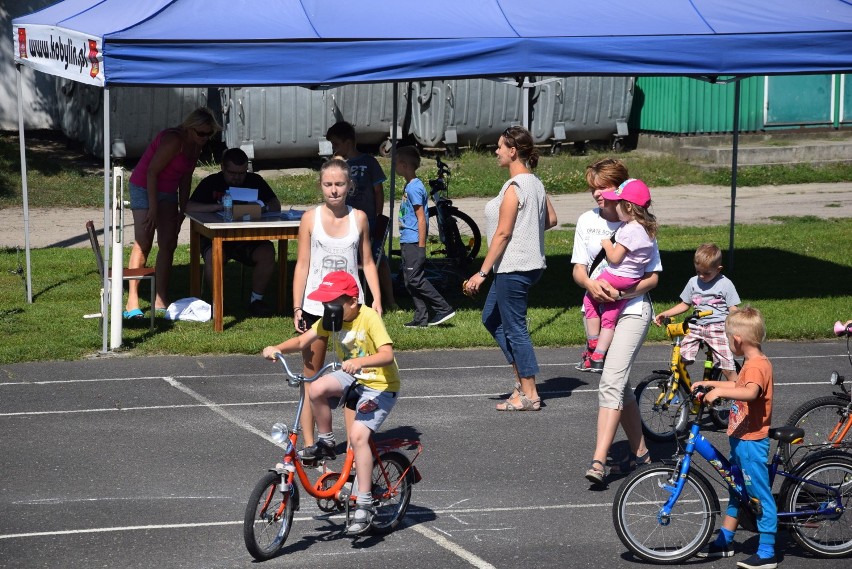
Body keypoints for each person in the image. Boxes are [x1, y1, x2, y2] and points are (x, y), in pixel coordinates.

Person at [262, 270, 399, 536]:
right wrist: (277, 347)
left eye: (333, 303)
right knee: (316, 387)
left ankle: (365, 503)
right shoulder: (332, 319)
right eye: (325, 304)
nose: (328, 309)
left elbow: (387, 354)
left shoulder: (368, 317)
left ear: (352, 301)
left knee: (358, 437)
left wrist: (360, 361)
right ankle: (326, 441)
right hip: (353, 377)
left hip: (380, 384)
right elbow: (303, 340)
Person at [573, 158, 661, 485]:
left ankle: (599, 461)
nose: (597, 193)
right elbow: (578, 268)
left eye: (603, 187)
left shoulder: (639, 225)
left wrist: (621, 295)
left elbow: (652, 278)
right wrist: (591, 285)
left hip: (633, 310)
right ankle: (643, 455)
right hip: (596, 306)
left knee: (610, 381)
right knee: (619, 383)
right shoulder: (587, 221)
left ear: (621, 189)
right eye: (593, 188)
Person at [464, 126, 557, 411]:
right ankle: (522, 381)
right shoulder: (534, 182)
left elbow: (503, 234)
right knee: (491, 318)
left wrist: (481, 273)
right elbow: (551, 219)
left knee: (516, 329)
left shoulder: (517, 186)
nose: (496, 151)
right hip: (523, 265)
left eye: (500, 147)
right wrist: (527, 226)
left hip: (514, 267)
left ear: (512, 151)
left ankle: (529, 394)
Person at [291, 158, 382, 452]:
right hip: (316, 307)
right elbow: (302, 265)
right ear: (321, 186)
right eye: (328, 185)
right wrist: (297, 307)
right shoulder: (309, 219)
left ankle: (357, 443)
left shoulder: (360, 218)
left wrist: (377, 298)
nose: (334, 191)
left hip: (352, 311)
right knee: (311, 378)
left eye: (339, 184)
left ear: (349, 186)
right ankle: (310, 444)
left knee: (354, 377)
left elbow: (367, 261)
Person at [692, 306, 777, 569]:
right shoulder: (753, 363)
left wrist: (719, 394)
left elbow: (750, 393)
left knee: (759, 496)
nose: (729, 344)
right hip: (741, 440)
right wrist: (711, 385)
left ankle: (767, 552)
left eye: (729, 339)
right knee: (737, 491)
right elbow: (738, 386)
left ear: (737, 340)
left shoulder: (756, 367)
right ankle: (725, 540)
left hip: (752, 442)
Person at [124, 107, 221, 319]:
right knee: (144, 241)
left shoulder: (195, 146)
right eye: (201, 133)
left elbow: (185, 180)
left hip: (167, 190)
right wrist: (153, 208)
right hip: (144, 186)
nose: (205, 138)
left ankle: (160, 298)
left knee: (169, 243)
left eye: (209, 134)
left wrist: (182, 210)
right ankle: (132, 301)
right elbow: (152, 172)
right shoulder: (173, 140)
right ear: (190, 127)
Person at [185, 147, 281, 317]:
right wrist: (219, 207)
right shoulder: (211, 182)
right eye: (232, 173)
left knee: (267, 252)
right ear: (222, 167)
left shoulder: (255, 180)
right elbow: (189, 207)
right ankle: (219, 301)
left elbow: (276, 205)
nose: (237, 177)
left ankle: (256, 300)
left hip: (248, 238)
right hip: (216, 237)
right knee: (214, 256)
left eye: (242, 173)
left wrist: (261, 209)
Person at [579, 179, 657, 372]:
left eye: (618, 203)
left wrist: (607, 244)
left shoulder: (629, 229)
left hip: (616, 275)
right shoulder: (647, 229)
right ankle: (599, 355)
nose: (616, 207)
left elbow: (614, 258)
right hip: (632, 280)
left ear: (628, 206)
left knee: (590, 300)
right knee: (610, 316)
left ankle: (592, 344)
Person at [325, 121, 397, 311]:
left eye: (336, 144)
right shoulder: (338, 165)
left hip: (368, 220)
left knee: (377, 261)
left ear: (349, 142)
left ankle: (389, 299)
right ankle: (346, 298)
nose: (334, 148)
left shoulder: (369, 162)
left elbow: (378, 191)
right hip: (344, 221)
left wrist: (378, 216)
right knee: (345, 259)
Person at [654, 242, 740, 381]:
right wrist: (666, 313)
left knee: (726, 367)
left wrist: (738, 326)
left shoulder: (725, 284)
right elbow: (685, 304)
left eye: (706, 273)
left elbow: (733, 309)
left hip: (717, 328)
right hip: (696, 326)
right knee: (680, 361)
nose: (701, 276)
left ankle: (740, 397)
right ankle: (677, 389)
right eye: (698, 271)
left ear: (718, 269)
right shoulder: (693, 282)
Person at [396, 146, 455, 328]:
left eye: (396, 164)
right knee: (409, 280)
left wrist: (421, 248)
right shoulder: (411, 185)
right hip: (407, 240)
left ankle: (443, 308)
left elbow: (422, 219)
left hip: (414, 241)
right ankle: (421, 317)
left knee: (415, 279)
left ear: (404, 165)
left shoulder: (414, 188)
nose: (395, 167)